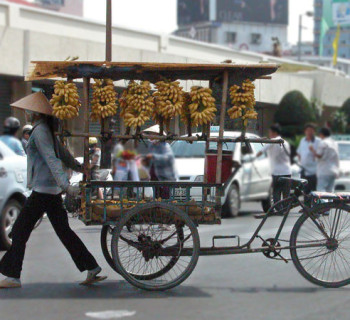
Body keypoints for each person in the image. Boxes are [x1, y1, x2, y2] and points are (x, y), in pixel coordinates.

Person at [0, 92, 106, 288]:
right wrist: (78, 167)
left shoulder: (39, 132)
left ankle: (13, 276)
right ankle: (91, 267)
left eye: (29, 111)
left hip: (42, 192)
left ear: (35, 113)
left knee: (20, 231)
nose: (27, 114)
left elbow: (53, 159)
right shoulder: (45, 130)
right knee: (64, 232)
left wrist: (67, 186)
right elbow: (63, 154)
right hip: (50, 192)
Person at [257, 124, 291, 213]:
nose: (269, 134)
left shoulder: (272, 141)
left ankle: (279, 210)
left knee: (276, 192)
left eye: (270, 132)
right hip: (287, 171)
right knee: (286, 194)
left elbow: (260, 152)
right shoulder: (285, 143)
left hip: (276, 172)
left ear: (274, 132)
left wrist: (253, 158)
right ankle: (285, 209)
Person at [309, 127, 339, 193]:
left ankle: (323, 203)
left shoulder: (323, 143)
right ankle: (330, 203)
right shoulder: (334, 143)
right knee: (330, 191)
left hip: (324, 170)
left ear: (322, 134)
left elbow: (319, 155)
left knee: (321, 191)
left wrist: (312, 150)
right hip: (333, 170)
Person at [297, 123, 320, 194]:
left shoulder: (318, 141)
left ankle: (315, 205)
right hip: (304, 170)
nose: (309, 132)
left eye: (311, 130)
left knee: (314, 191)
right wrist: (300, 162)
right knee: (305, 191)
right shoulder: (303, 140)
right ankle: (306, 204)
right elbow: (299, 152)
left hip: (314, 171)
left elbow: (320, 155)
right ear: (305, 131)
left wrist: (313, 150)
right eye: (307, 130)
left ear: (314, 131)